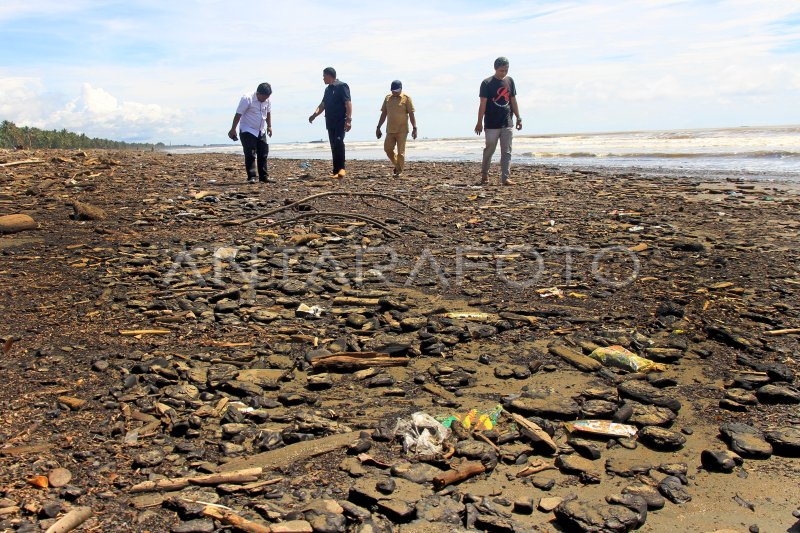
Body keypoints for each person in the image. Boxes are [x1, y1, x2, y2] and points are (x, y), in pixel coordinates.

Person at [474, 57, 522, 186]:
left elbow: (513, 100)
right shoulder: (487, 83)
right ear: (495, 69)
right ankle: (484, 175)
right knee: (490, 149)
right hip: (491, 124)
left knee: (506, 151)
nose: (504, 73)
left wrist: (518, 117)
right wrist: (479, 122)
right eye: (501, 70)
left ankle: (505, 178)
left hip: (507, 122)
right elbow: (482, 103)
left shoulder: (510, 81)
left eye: (506, 70)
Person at [308, 67, 352, 178]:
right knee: (333, 145)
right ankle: (335, 171)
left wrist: (349, 120)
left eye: (324, 76)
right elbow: (322, 105)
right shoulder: (327, 90)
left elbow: (348, 103)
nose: (323, 78)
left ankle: (342, 169)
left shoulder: (342, 86)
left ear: (329, 75)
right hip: (330, 122)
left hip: (340, 121)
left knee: (339, 142)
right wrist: (314, 115)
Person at [228, 82, 273, 184]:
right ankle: (251, 177)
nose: (265, 99)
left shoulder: (267, 100)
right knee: (250, 153)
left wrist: (269, 126)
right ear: (258, 93)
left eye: (268, 97)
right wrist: (233, 129)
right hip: (247, 129)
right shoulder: (247, 98)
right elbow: (238, 114)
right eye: (264, 97)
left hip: (260, 130)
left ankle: (263, 176)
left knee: (263, 153)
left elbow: (268, 113)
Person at [376, 80, 417, 177]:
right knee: (387, 149)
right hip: (390, 129)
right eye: (393, 90)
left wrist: (414, 128)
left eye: (396, 90)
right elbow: (383, 114)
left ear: (401, 89)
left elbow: (411, 114)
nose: (394, 92)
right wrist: (378, 127)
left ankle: (399, 171)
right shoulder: (387, 98)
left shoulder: (406, 99)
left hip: (402, 130)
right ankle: (398, 165)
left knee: (401, 152)